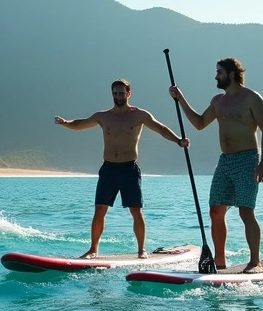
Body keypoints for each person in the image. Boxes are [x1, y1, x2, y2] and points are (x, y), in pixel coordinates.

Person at [55, 79, 189, 258]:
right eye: (114, 94)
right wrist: (66, 123)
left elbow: (161, 128)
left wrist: (179, 141)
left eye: (120, 93)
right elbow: (81, 123)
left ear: (128, 93)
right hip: (108, 169)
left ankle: (141, 250)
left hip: (129, 169)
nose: (117, 97)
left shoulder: (139, 115)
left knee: (136, 210)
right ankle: (93, 249)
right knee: (100, 209)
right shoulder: (103, 116)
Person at [169, 57, 263, 273]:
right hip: (224, 161)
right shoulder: (218, 101)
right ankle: (220, 260)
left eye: (219, 72)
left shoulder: (252, 98)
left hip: (248, 160)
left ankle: (255, 262)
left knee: (246, 212)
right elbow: (199, 123)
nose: (216, 76)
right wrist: (180, 99)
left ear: (232, 74)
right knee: (216, 210)